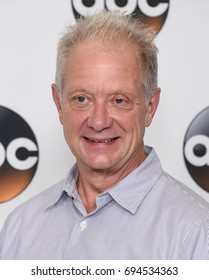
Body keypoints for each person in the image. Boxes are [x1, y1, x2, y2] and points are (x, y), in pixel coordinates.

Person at [0, 10, 209, 260]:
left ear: (150, 107)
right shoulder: (19, 228)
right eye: (81, 99)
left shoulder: (195, 232)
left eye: (119, 100)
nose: (99, 121)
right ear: (58, 103)